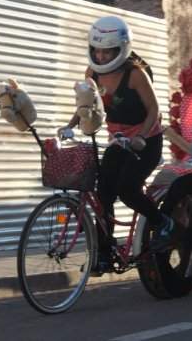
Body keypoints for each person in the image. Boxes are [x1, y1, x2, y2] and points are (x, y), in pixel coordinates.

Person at [59, 15, 168, 275]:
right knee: (103, 194)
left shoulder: (135, 74)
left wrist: (142, 137)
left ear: (121, 49)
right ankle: (104, 256)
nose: (101, 56)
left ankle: (162, 222)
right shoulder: (92, 72)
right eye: (96, 51)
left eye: (107, 52)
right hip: (117, 142)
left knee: (127, 190)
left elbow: (154, 109)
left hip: (146, 142)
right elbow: (86, 104)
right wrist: (71, 125)